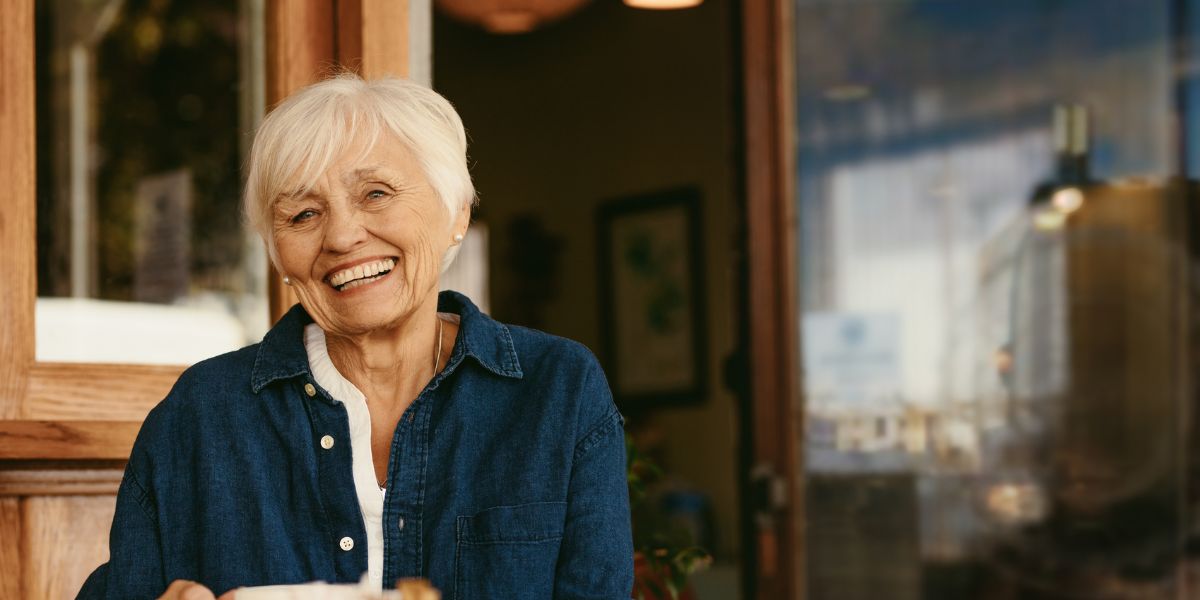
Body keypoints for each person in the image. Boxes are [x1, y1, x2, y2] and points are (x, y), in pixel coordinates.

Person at [78, 74, 633, 599]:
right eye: (302, 214)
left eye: (375, 194)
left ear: (455, 213)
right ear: (278, 256)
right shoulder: (200, 414)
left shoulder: (557, 391)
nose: (342, 236)